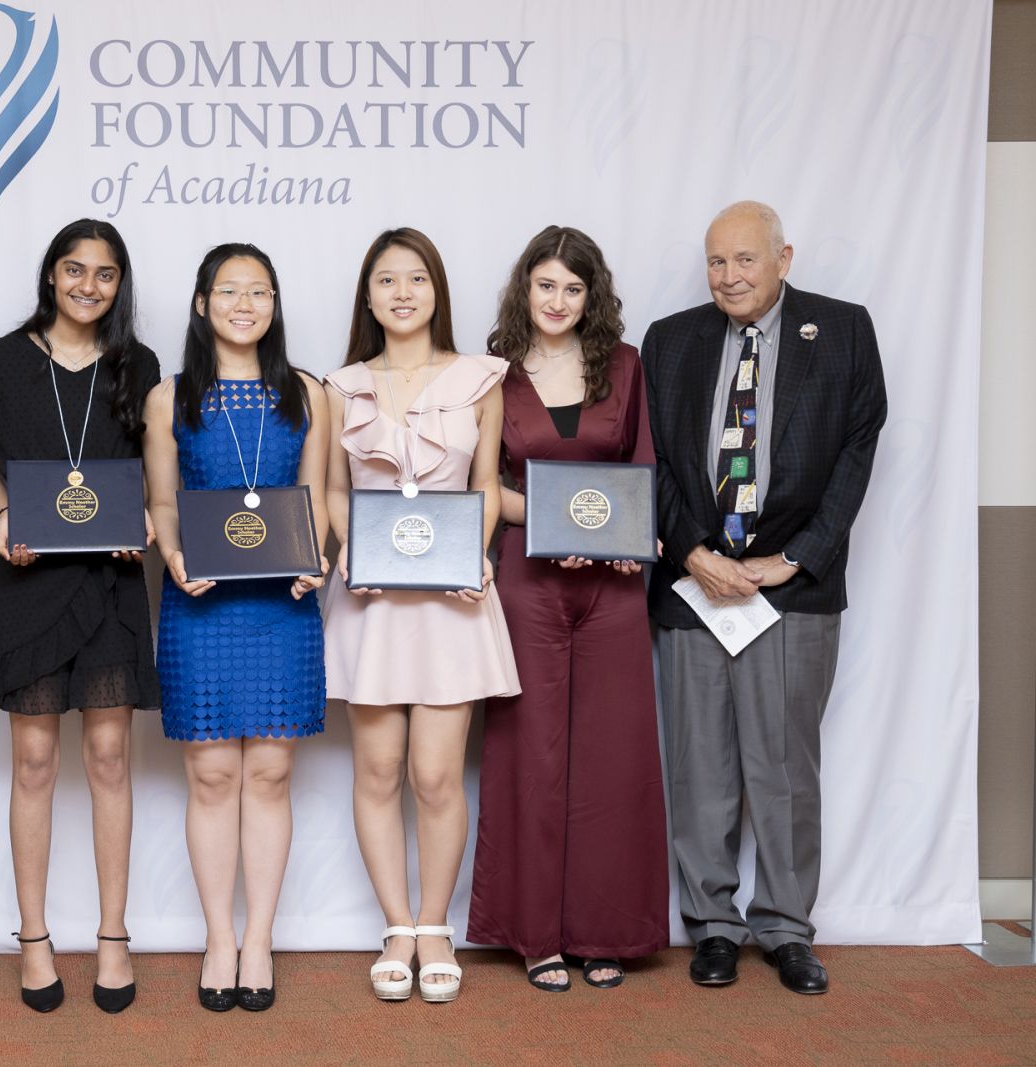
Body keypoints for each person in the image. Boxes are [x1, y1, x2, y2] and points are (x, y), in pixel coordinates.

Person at [642, 201, 886, 995]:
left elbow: (858, 450)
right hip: (693, 587)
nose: (728, 276)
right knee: (700, 762)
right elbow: (656, 467)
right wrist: (692, 552)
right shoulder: (669, 340)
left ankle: (785, 927)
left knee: (782, 766)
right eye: (716, 262)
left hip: (794, 590)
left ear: (784, 256)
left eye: (744, 260)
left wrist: (798, 558)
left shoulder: (844, 330)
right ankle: (711, 925)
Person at [464, 225, 668, 992]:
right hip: (528, 577)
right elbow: (485, 487)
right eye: (545, 285)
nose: (557, 301)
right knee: (532, 752)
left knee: (613, 756)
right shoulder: (493, 374)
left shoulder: (624, 365)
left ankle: (604, 929)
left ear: (593, 296)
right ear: (525, 289)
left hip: (615, 582)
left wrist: (626, 538)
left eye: (573, 289)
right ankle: (536, 933)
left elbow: (642, 465)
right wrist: (555, 521)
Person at [322, 227, 519, 1004]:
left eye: (417, 279)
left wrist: (476, 556)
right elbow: (335, 487)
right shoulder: (341, 385)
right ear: (367, 295)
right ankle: (395, 924)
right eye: (386, 280)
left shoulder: (479, 379)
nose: (402, 293)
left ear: (437, 291)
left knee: (435, 773)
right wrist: (350, 551)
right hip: (372, 597)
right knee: (376, 769)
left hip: (452, 599)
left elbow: (488, 484)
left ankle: (436, 922)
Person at [0, 219, 160, 1014]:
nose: (88, 285)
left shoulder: (138, 363)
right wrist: (6, 512)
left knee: (111, 756)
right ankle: (35, 936)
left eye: (105, 274)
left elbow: (153, 473)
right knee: (36, 762)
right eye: (74, 270)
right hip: (28, 582)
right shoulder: (2, 359)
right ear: (51, 275)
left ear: (120, 283)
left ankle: (113, 935)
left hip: (110, 582)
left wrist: (145, 516)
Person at [143, 243, 330, 1013]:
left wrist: (318, 558)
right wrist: (175, 554)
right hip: (201, 603)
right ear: (201, 303)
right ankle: (220, 937)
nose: (244, 303)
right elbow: (161, 503)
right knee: (213, 775)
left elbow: (317, 499)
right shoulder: (170, 397)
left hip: (282, 606)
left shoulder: (309, 393)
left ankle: (261, 939)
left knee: (271, 775)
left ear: (275, 304)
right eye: (229, 290)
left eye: (260, 291)